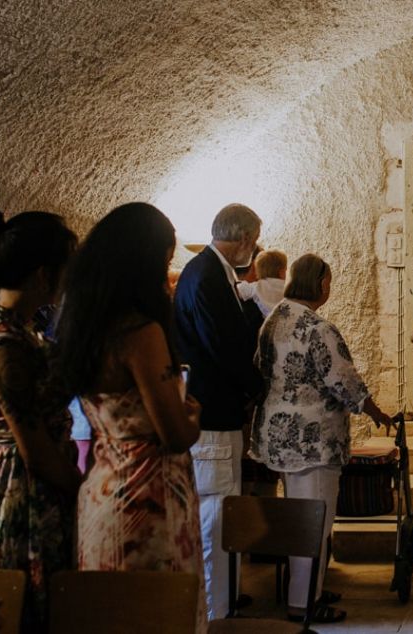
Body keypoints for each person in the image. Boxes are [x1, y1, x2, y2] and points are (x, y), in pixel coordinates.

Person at [54, 202, 206, 630]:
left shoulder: (84, 327)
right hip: (147, 495)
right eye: (163, 260)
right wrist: (192, 415)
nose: (166, 273)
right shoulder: (140, 333)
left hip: (101, 489)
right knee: (157, 617)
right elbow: (174, 433)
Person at [250, 254, 393, 624]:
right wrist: (376, 413)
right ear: (319, 283)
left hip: (278, 435)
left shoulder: (274, 319)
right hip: (312, 440)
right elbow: (343, 380)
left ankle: (309, 588)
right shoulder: (317, 328)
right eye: (328, 281)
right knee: (315, 521)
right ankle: (303, 603)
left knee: (300, 517)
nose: (330, 288)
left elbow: (259, 368)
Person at [0, 211, 80, 627]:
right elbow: (33, 451)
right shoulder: (4, 344)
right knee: (29, 603)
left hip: (24, 477)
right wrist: (83, 491)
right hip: (20, 487)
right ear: (43, 274)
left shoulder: (18, 327)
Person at [174, 203, 264, 619]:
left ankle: (220, 604)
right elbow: (225, 348)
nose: (256, 247)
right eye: (254, 239)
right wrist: (257, 389)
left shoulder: (206, 272)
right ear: (243, 238)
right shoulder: (208, 276)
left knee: (218, 516)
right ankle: (215, 614)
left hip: (215, 410)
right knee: (216, 520)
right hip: (213, 414)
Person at [237, 248, 287, 318]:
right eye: (285, 271)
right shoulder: (286, 289)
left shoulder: (256, 286)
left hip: (270, 321)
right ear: (281, 272)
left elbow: (237, 291)